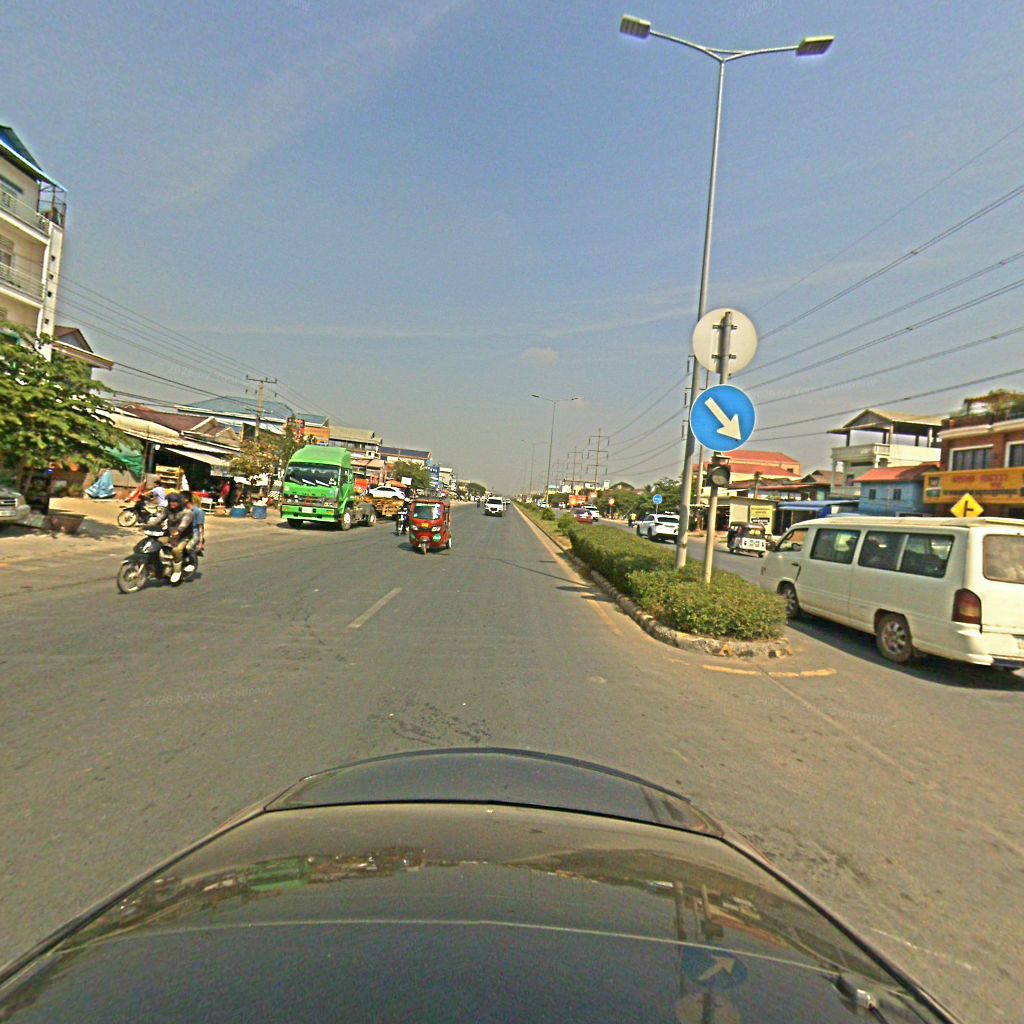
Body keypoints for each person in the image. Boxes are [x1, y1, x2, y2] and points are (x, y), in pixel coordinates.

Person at [151, 492, 194, 583]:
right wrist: (148, 525)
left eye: (174, 501)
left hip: (184, 536)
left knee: (176, 550)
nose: (172, 503)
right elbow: (159, 518)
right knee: (155, 543)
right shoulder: (168, 510)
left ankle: (177, 571)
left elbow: (184, 524)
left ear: (180, 502)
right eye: (170, 501)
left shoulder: (187, 512)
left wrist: (178, 531)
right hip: (170, 534)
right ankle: (161, 563)